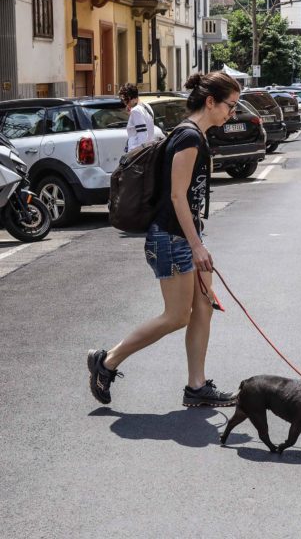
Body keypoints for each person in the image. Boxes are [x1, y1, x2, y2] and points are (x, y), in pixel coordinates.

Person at [88, 71, 241, 407]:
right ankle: (107, 361)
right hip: (171, 239)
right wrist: (197, 245)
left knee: (204, 306)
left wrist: (198, 241)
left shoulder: (194, 135)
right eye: (230, 105)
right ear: (211, 101)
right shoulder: (188, 137)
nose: (233, 112)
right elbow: (176, 197)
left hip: (185, 236)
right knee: (176, 316)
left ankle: (196, 388)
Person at [118, 83, 155, 152]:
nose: (124, 103)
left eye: (124, 100)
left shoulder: (136, 111)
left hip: (137, 153)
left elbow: (143, 136)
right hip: (149, 150)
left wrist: (139, 154)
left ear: (129, 97)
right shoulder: (147, 106)